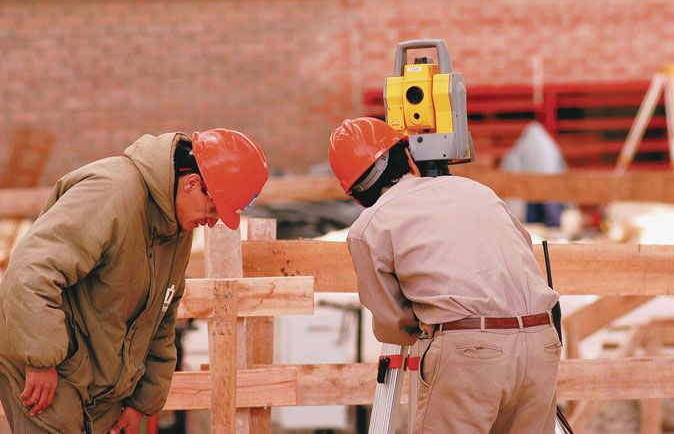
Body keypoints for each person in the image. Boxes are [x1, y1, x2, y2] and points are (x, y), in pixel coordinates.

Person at [0, 129, 268, 433]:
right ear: (193, 183)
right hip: (48, 366)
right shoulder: (111, 194)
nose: (213, 221)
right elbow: (31, 270)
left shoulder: (175, 224)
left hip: (94, 380)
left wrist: (140, 402)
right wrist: (41, 359)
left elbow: (161, 316)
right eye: (214, 209)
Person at [328, 117, 561, 433]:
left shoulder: (370, 226)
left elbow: (393, 324)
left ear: (355, 190)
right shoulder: (478, 191)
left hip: (469, 352)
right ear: (404, 155)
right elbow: (522, 254)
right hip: (541, 341)